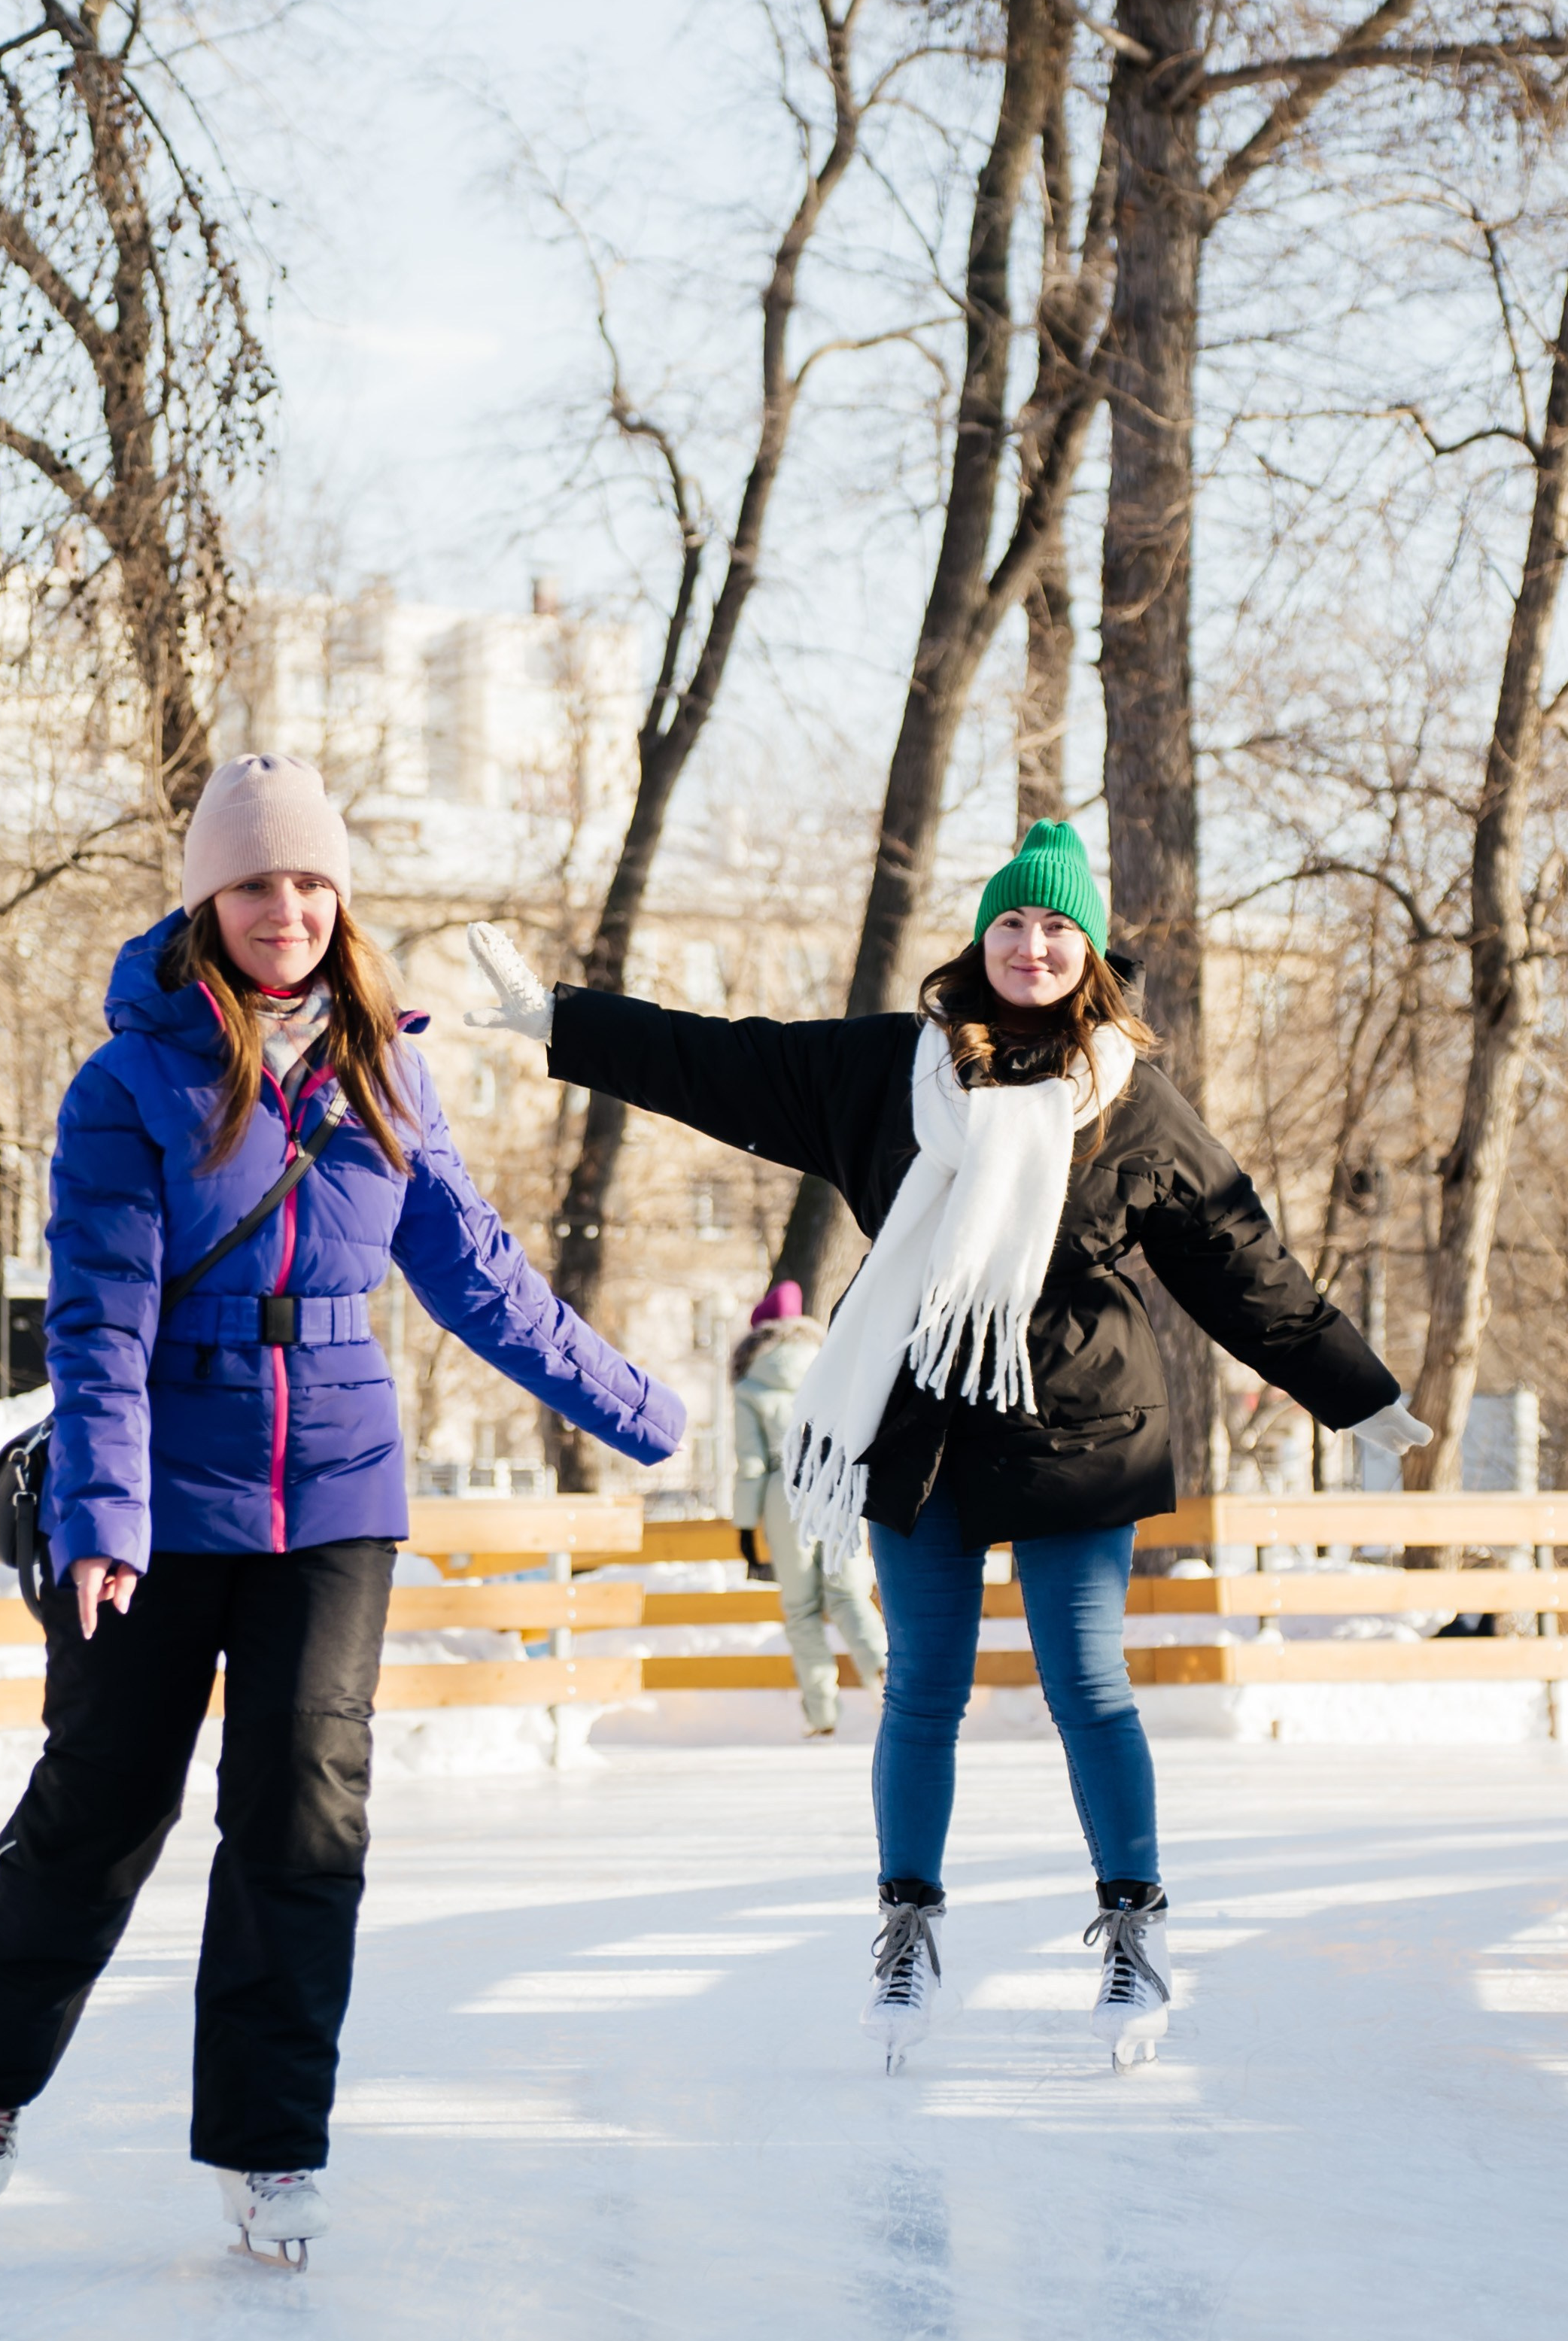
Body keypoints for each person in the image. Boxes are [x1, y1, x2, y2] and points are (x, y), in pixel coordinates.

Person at [466, 819, 1430, 2073]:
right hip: (918, 1418)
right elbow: (722, 1062)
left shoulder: (1131, 1103)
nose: (1031, 945)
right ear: (981, 940)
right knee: (923, 1687)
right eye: (1011, 923)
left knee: (1087, 1685)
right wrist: (561, 1022)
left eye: (1055, 927)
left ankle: (1133, 1926)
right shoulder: (889, 1070)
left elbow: (1244, 1263)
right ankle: (906, 1930)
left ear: (1086, 953)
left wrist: (1354, 1392)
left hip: (1080, 1422)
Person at [0, 752, 684, 2260]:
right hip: (161, 1487)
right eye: (255, 880)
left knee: (304, 1814)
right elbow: (98, 1319)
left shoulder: (387, 1069)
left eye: (310, 878)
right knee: (106, 1802)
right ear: (207, 899)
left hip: (338, 1487)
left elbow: (475, 1273)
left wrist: (640, 1407)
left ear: (341, 899)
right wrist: (103, 1517)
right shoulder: (132, 1078)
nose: (286, 905)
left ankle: (270, 2144)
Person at [732, 1280, 887, 1736]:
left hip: (785, 1491)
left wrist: (745, 1527)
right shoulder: (831, 1364)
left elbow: (750, 1462)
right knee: (847, 1593)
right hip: (838, 1481)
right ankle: (883, 1668)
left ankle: (821, 1716)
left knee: (801, 1608)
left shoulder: (750, 1384)